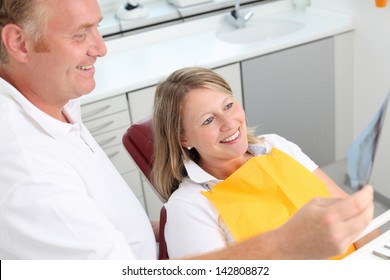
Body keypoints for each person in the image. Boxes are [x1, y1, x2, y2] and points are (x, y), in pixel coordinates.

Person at [0, 0, 373, 260]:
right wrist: (283, 246)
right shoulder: (28, 171)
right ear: (19, 43)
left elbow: (359, 225)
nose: (100, 48)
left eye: (228, 106)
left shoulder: (56, 96)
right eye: (81, 34)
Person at [152, 66, 376, 259]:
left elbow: (355, 220)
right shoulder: (188, 206)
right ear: (184, 138)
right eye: (208, 120)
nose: (229, 123)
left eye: (228, 105)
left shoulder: (276, 146)